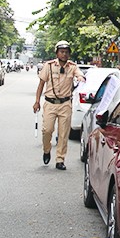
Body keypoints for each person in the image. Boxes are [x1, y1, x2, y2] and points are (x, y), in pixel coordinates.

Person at [33, 40, 85, 169]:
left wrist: (80, 78)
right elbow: (41, 85)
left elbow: (80, 75)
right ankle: (46, 150)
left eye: (66, 52)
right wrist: (37, 101)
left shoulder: (72, 67)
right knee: (47, 130)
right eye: (61, 52)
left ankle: (60, 159)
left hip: (65, 104)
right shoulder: (49, 66)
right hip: (50, 103)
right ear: (57, 53)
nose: (64, 54)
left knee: (63, 134)